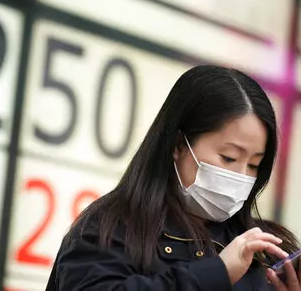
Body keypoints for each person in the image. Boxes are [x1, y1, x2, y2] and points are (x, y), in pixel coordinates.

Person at [46, 65, 300, 291]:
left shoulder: (268, 249)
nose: (242, 176)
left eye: (255, 164)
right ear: (178, 144)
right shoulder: (111, 228)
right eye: (229, 158)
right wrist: (217, 274)